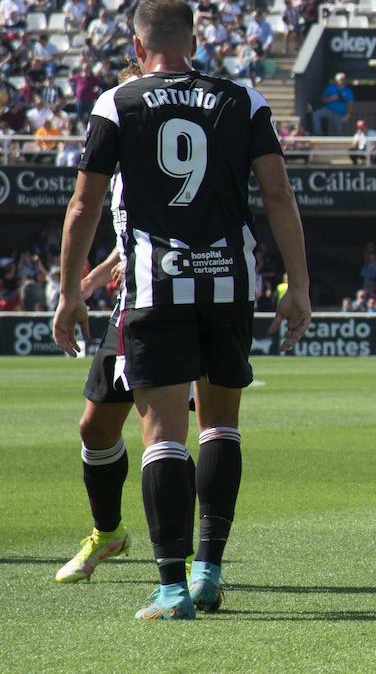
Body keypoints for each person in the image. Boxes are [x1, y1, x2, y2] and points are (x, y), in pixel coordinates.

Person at [52, 0, 313, 621]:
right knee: (221, 426)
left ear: (138, 46)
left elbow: (85, 207)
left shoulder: (118, 103)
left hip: (156, 285)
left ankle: (170, 588)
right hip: (228, 281)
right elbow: (278, 194)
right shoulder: (243, 99)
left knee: (163, 435)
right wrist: (298, 287)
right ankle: (207, 573)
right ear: (193, 42)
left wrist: (68, 294)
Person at [53, 64, 204, 585]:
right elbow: (124, 242)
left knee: (164, 431)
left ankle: (183, 553)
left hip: (168, 301)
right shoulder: (119, 162)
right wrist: (89, 283)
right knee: (94, 428)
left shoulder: (156, 160)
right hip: (127, 306)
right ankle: (109, 532)